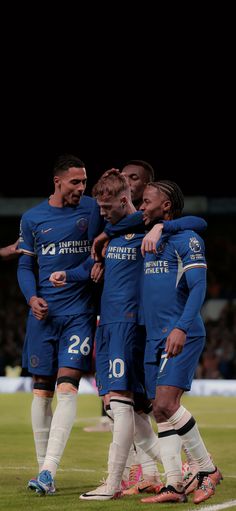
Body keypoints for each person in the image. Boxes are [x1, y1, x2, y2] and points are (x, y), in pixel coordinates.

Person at [17, 154, 103, 495]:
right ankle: (43, 470)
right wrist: (31, 298)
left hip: (79, 314)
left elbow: (113, 232)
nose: (81, 189)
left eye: (84, 182)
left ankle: (49, 470)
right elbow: (25, 267)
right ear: (58, 182)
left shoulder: (93, 210)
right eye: (75, 183)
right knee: (41, 391)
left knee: (67, 387)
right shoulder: (32, 218)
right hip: (43, 316)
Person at [137, 181, 222, 504]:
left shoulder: (187, 239)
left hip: (179, 332)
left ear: (167, 206)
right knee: (159, 413)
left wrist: (182, 328)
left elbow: (198, 287)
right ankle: (173, 485)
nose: (142, 206)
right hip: (152, 336)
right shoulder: (148, 238)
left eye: (147, 201)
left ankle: (206, 467)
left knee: (165, 405)